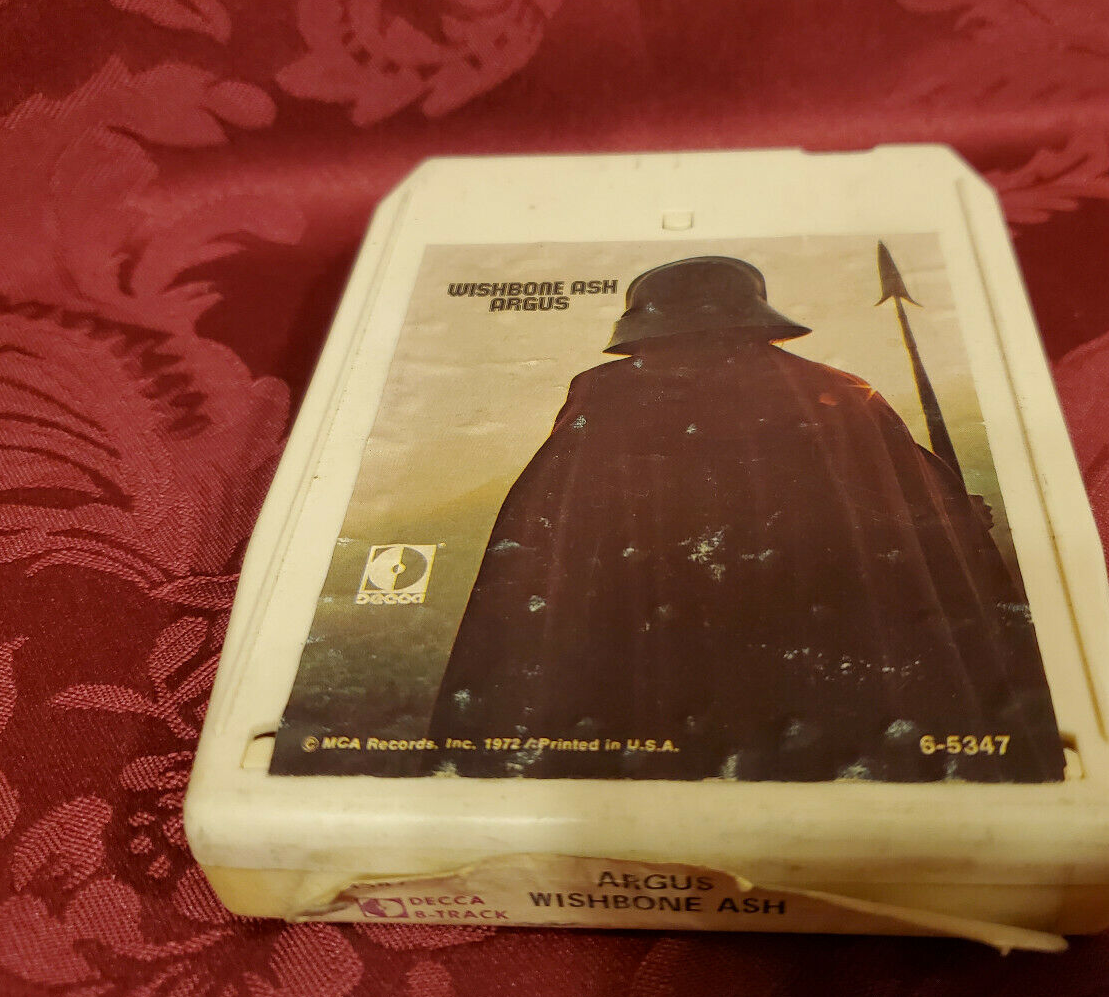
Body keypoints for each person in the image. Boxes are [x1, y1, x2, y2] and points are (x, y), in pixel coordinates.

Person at [426, 256, 1063, 782]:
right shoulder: (834, 391)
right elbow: (560, 514)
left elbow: (549, 526)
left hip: (712, 624)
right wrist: (949, 519)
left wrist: (942, 513)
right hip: (743, 621)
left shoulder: (613, 393)